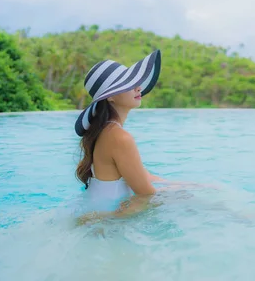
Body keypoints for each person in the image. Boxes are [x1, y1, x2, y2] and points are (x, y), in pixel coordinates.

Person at [73, 49, 207, 222]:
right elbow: (146, 196)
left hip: (97, 214)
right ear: (110, 97)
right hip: (106, 223)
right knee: (204, 205)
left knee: (193, 195)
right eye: (128, 84)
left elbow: (142, 177)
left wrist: (183, 186)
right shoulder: (119, 138)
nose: (138, 87)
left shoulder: (105, 132)